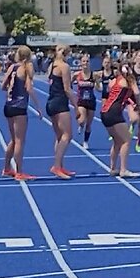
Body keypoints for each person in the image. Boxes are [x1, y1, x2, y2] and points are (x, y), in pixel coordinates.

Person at [0, 45, 37, 180]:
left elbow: (3, 86)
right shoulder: (26, 68)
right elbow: (29, 88)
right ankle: (19, 171)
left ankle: (6, 168)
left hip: (8, 106)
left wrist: (12, 89)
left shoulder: (12, 67)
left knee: (13, 140)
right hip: (20, 107)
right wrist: (38, 107)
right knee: (20, 140)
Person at [101, 64, 140, 178]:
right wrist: (137, 104)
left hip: (104, 112)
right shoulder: (129, 81)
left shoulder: (114, 81)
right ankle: (123, 170)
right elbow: (137, 93)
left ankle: (113, 168)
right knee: (126, 140)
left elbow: (112, 93)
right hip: (114, 112)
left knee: (117, 141)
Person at [44, 44, 77, 179]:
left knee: (59, 137)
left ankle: (60, 166)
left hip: (51, 102)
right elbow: (67, 89)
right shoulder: (64, 67)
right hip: (60, 103)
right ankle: (56, 166)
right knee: (67, 136)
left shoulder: (52, 66)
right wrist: (76, 106)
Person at [72, 52, 97, 146]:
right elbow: (68, 84)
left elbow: (98, 88)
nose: (85, 63)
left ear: (89, 63)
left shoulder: (93, 75)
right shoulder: (76, 75)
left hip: (91, 101)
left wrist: (97, 83)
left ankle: (86, 141)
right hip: (81, 101)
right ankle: (80, 125)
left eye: (87, 61)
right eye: (83, 61)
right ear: (81, 63)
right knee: (82, 120)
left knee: (89, 124)